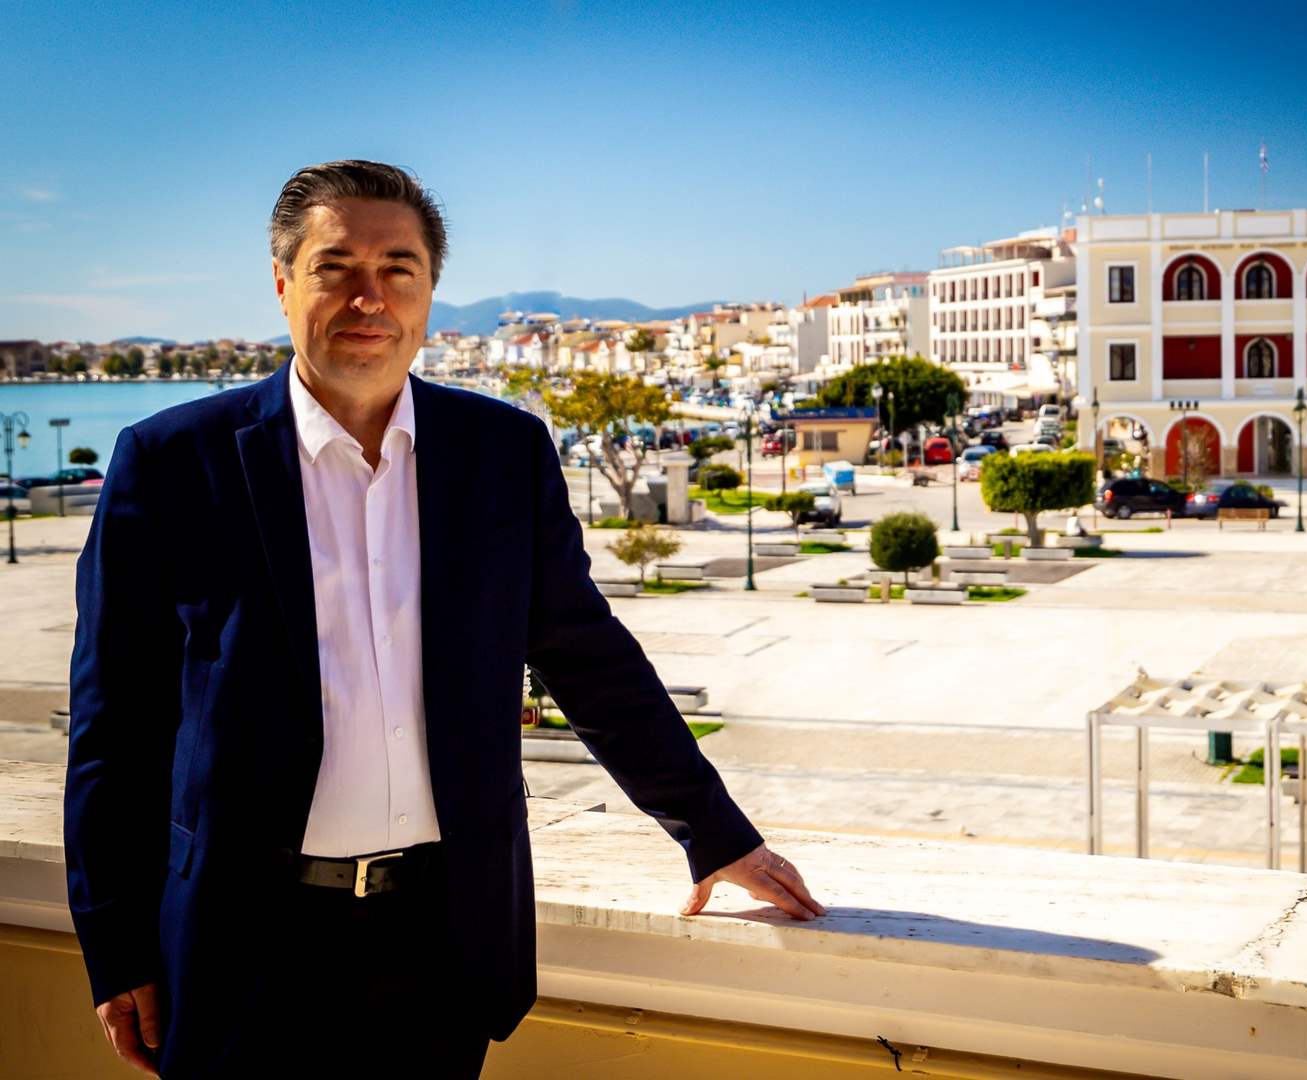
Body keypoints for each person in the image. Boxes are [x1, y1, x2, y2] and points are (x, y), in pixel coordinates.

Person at [65, 160, 823, 1079]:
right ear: (283, 283)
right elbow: (114, 724)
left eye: (398, 269)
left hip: (442, 942)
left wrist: (715, 831)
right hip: (241, 948)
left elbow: (589, 661)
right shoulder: (174, 463)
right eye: (335, 268)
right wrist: (115, 944)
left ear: (429, 293)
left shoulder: (503, 454)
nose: (368, 298)